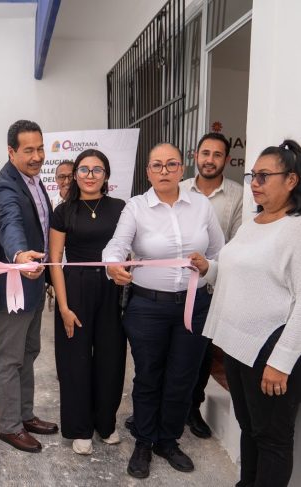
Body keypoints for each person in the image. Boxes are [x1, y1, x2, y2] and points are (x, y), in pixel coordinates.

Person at [103, 143, 224, 479]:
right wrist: (112, 264)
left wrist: (209, 266)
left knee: (182, 377)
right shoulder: (136, 207)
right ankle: (144, 441)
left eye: (171, 164)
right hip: (147, 308)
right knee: (148, 375)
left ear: (182, 169)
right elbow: (117, 244)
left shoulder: (201, 206)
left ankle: (168, 441)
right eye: (157, 165)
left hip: (194, 306)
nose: (165, 171)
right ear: (148, 172)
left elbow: (220, 251)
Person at [191, 139, 301, 487]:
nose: (255, 183)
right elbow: (232, 272)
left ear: (291, 180)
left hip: (269, 349)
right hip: (237, 345)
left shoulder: (296, 230)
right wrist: (207, 268)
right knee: (250, 427)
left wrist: (281, 362)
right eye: (253, 175)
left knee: (272, 439)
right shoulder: (254, 222)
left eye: (264, 176)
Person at [49, 149, 126, 456]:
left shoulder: (120, 208)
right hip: (75, 288)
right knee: (75, 361)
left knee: (111, 357)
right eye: (84, 169)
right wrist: (63, 307)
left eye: (97, 170)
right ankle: (80, 428)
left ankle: (105, 423)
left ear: (106, 175)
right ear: (75, 174)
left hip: (111, 288)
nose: (90, 176)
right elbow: (55, 260)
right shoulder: (63, 211)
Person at [0, 119, 58, 454]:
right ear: (11, 151)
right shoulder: (6, 186)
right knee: (10, 358)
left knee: (29, 353)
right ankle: (10, 427)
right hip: (16, 286)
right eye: (28, 150)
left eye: (40, 148)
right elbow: (10, 222)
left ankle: (25, 414)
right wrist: (18, 255)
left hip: (35, 284)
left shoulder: (33, 180)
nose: (37, 156)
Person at [180, 132, 243, 439]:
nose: (210, 160)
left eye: (217, 155)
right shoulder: (178, 188)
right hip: (174, 288)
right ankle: (156, 409)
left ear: (226, 160)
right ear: (196, 156)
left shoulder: (238, 196)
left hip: (210, 288)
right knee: (164, 352)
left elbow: (238, 243)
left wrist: (211, 267)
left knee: (201, 355)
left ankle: (192, 408)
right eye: (205, 153)